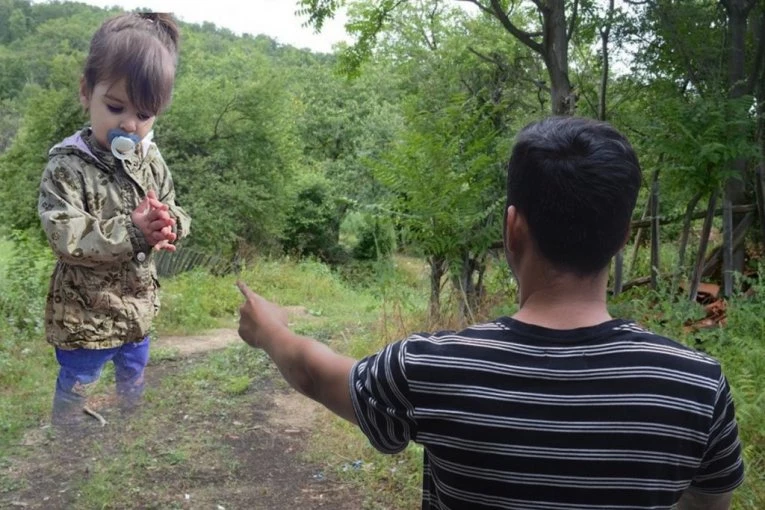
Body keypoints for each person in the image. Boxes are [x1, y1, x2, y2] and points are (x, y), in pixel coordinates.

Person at [237, 116, 744, 509]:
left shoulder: (434, 368)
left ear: (513, 230)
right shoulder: (697, 385)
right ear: (622, 236)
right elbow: (708, 502)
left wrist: (269, 330)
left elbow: (314, 373)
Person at [38, 12, 190, 426]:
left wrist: (168, 223)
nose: (130, 124)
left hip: (137, 308)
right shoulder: (68, 166)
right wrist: (133, 232)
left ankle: (130, 426)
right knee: (81, 377)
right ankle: (68, 436)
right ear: (87, 92)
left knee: (134, 369)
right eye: (116, 107)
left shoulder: (150, 159)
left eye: (144, 115)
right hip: (85, 316)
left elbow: (174, 204)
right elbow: (65, 236)